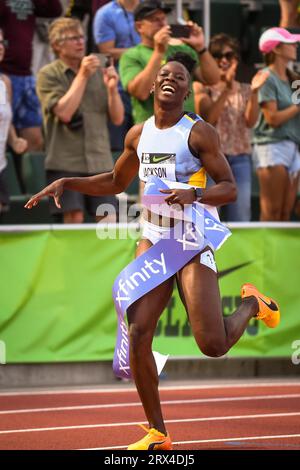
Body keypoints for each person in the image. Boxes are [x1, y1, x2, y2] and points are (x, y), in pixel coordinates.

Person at [25, 55, 280, 450]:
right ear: (151, 87)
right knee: (139, 331)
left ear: (187, 90)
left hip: (191, 241)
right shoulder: (138, 134)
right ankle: (157, 431)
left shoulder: (198, 134)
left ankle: (251, 303)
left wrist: (194, 193)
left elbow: (229, 187)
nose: (169, 80)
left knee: (212, 345)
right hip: (153, 239)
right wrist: (66, 181)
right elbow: (114, 180)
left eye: (179, 77)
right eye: (163, 75)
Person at [36, 17, 124, 223]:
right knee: (73, 219)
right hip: (65, 160)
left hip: (100, 159)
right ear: (57, 45)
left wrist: (112, 90)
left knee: (108, 222)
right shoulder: (48, 74)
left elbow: (118, 118)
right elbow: (64, 112)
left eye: (82, 37)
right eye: (73, 38)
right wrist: (83, 75)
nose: (80, 42)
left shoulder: (98, 70)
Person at [194, 34, 270, 222]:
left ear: (236, 58)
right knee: (209, 215)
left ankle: (237, 252)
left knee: (242, 214)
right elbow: (209, 119)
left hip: (240, 157)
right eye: (218, 56)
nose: (224, 61)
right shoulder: (203, 88)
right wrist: (226, 89)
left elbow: (250, 122)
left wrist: (254, 93)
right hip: (211, 159)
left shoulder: (246, 88)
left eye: (229, 55)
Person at [119, 0, 220, 124]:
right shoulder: (131, 56)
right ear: (139, 27)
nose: (162, 23)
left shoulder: (183, 49)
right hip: (150, 130)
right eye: (155, 19)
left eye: (163, 18)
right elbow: (140, 92)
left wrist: (201, 48)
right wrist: (159, 52)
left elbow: (213, 79)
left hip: (185, 129)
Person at [0, 0, 62, 151]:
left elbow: (54, 9)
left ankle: (27, 174)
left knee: (35, 140)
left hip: (26, 75)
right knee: (3, 132)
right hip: (3, 74)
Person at [252, 27, 300, 221]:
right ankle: (263, 253)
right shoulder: (266, 77)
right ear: (277, 49)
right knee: (272, 212)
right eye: (290, 42)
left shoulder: (294, 79)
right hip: (271, 147)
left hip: (292, 148)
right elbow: (272, 119)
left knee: (284, 212)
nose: (295, 45)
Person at [93, 0, 141, 150]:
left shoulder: (151, 8)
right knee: (120, 146)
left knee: (150, 146)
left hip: (147, 88)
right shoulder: (105, 13)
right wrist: (141, 52)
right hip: (119, 87)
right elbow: (105, 52)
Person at [0, 29, 27, 215]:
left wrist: (14, 139)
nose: (1, 47)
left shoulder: (4, 82)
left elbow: (5, 117)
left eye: (2, 42)